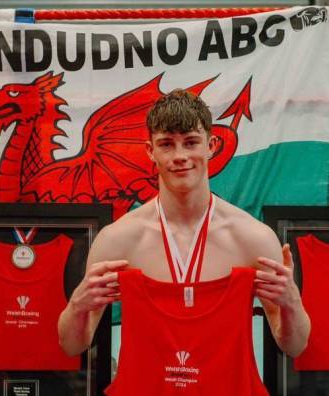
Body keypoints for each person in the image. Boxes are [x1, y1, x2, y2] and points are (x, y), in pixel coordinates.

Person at [58, 89, 310, 368]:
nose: (180, 156)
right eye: (166, 144)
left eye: (191, 142)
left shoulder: (254, 238)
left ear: (211, 145)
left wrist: (291, 304)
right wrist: (77, 306)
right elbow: (72, 345)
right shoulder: (117, 240)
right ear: (149, 150)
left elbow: (294, 345)